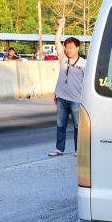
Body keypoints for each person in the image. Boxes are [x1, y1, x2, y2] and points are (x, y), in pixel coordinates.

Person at [49, 17, 86, 157]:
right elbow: (56, 41)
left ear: (77, 48)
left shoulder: (84, 63)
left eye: (70, 47)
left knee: (78, 126)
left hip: (77, 99)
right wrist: (60, 26)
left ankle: (79, 150)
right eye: (66, 47)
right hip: (61, 98)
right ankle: (59, 149)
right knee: (60, 125)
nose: (68, 49)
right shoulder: (63, 58)